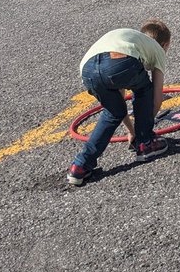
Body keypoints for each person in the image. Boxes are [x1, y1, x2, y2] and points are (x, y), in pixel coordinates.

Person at [67, 20, 172, 186]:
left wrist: (131, 130)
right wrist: (143, 128)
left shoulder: (131, 41)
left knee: (113, 112)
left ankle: (80, 166)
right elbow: (157, 97)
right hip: (120, 63)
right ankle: (145, 145)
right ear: (165, 44)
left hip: (87, 69)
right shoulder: (157, 49)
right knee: (144, 90)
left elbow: (120, 96)